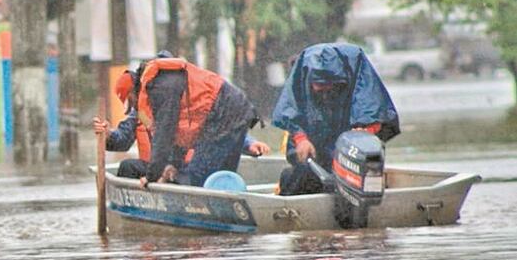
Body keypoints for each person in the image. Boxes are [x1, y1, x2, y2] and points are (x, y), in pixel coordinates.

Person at [93, 59, 270, 179]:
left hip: (194, 163)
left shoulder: (190, 99)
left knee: (202, 174)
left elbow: (219, 127)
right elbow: (122, 140)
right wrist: (107, 135)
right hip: (162, 166)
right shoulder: (141, 112)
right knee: (127, 167)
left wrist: (248, 143)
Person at [272, 42, 400, 196]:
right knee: (292, 176)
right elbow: (291, 114)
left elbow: (376, 113)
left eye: (330, 84)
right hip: (315, 160)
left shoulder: (360, 83)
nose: (324, 90)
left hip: (354, 164)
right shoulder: (301, 84)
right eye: (318, 84)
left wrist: (366, 133)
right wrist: (301, 139)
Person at [135, 51, 261, 187]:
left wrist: (152, 176)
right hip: (240, 109)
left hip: (224, 115)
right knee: (222, 178)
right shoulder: (171, 79)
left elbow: (165, 132)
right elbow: (179, 133)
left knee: (197, 178)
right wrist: (173, 164)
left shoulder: (160, 86)